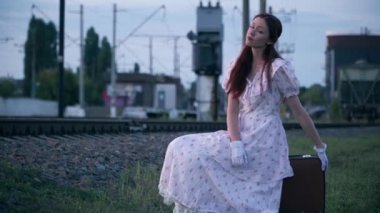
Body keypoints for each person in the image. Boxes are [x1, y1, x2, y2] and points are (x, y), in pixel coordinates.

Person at [158, 13, 328, 213]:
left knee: (251, 196)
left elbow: (299, 112)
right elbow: (232, 110)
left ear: (270, 40)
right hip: (241, 133)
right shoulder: (238, 66)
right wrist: (236, 142)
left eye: (260, 30)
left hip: (266, 140)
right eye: (252, 26)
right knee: (181, 146)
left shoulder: (277, 69)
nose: (252, 32)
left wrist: (319, 147)